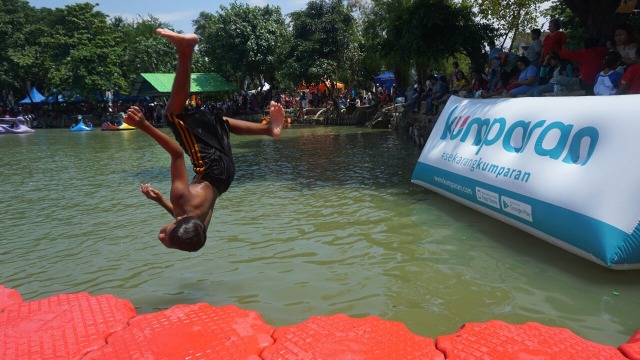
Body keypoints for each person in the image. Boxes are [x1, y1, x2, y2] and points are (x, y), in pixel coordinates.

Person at [123, 29, 285, 252]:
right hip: (209, 168)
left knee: (217, 122)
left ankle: (268, 129)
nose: (161, 237)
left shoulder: (199, 227)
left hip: (225, 177)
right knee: (173, 115)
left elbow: (185, 219)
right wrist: (144, 126)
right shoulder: (180, 200)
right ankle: (185, 51)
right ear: (179, 223)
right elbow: (177, 153)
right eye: (166, 236)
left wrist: (160, 200)